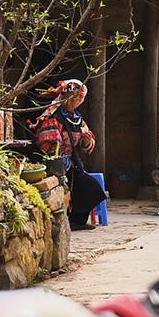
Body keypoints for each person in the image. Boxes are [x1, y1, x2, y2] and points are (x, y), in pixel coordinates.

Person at [33, 79, 104, 230]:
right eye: (73, 96)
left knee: (90, 186)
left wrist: (86, 141)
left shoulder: (77, 119)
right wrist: (62, 158)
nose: (76, 100)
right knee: (86, 184)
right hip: (53, 163)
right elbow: (48, 144)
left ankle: (78, 221)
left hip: (71, 163)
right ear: (64, 96)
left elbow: (87, 144)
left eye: (79, 98)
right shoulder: (53, 116)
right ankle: (74, 221)